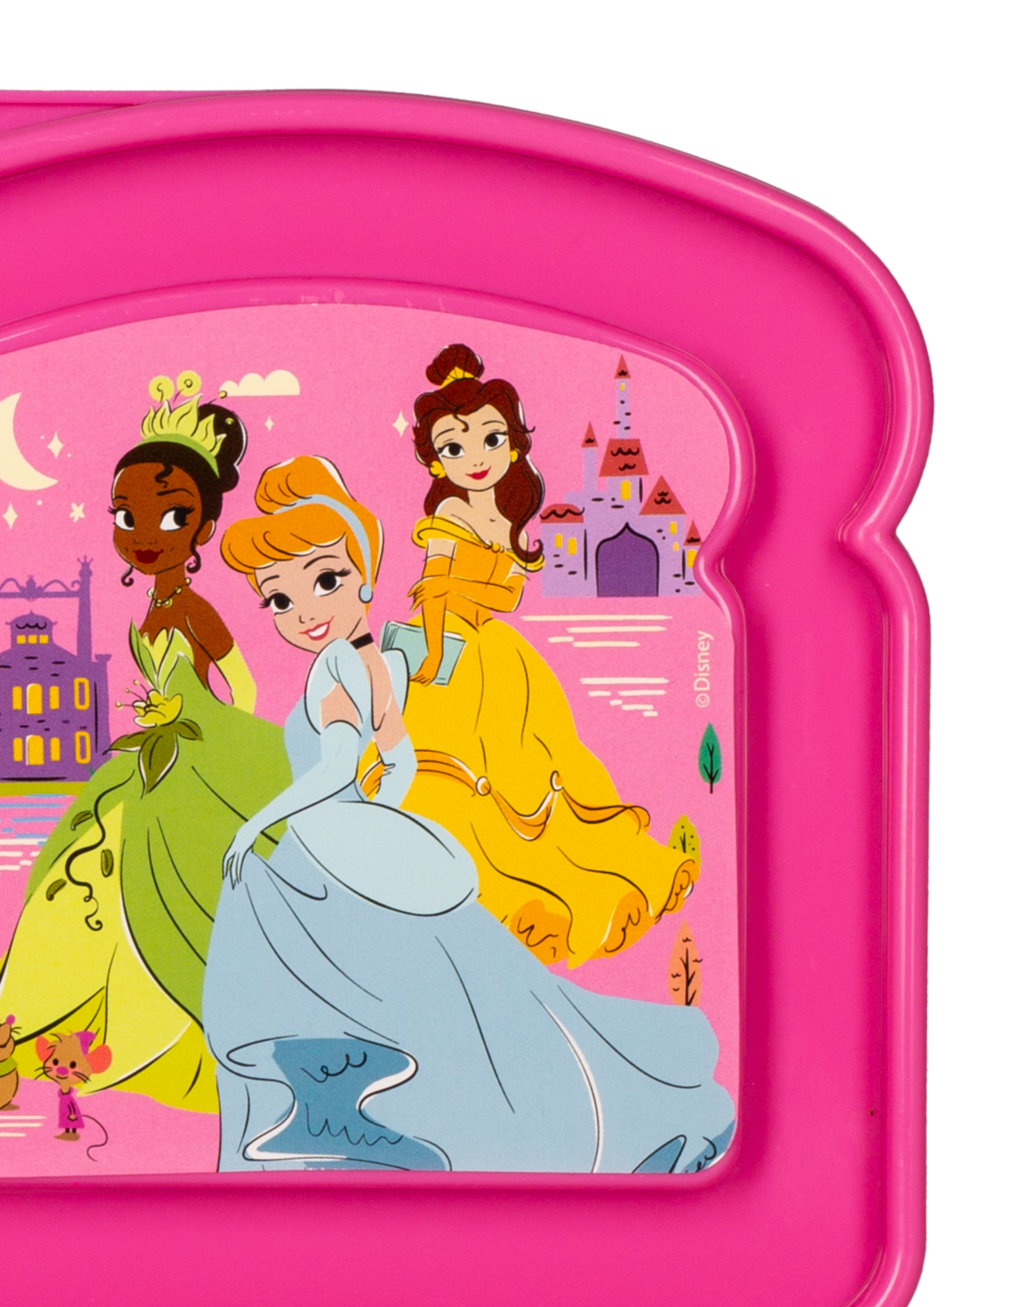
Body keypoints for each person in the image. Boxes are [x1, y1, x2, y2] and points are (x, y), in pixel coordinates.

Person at [205, 456, 734, 1172]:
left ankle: (341, 1122)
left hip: (326, 857)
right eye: (278, 598)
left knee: (260, 935)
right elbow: (398, 764)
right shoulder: (382, 664)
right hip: (358, 853)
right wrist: (381, 827)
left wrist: (259, 825)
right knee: (464, 1010)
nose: (304, 611)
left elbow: (334, 770)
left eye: (325, 580)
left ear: (364, 574)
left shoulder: (336, 668)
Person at [0, 374, 291, 1114]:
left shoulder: (194, 609)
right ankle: (22, 1022)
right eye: (126, 514)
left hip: (190, 758)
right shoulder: (155, 605)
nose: (144, 533)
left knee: (157, 888)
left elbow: (244, 686)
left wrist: (203, 731)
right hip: (149, 759)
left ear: (202, 530)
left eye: (171, 516)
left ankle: (147, 1025)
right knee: (77, 869)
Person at [399, 343, 697, 968]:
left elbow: (501, 594)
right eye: (453, 447)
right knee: (460, 776)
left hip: (494, 652)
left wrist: (478, 591)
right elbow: (433, 590)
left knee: (541, 761)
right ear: (434, 461)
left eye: (489, 440)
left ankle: (597, 881)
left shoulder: (503, 515)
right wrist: (429, 662)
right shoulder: (451, 511)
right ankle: (506, 898)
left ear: (513, 445)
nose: (473, 459)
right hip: (446, 652)